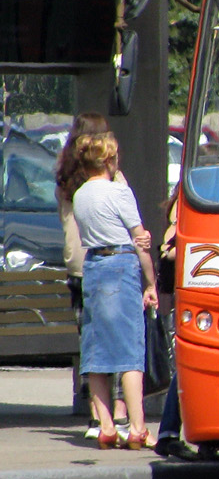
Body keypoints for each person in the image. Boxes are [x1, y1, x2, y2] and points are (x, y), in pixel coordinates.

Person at [56, 113, 148, 440]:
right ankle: (130, 423)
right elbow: (136, 232)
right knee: (126, 347)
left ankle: (101, 422)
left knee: (94, 346)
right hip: (115, 262)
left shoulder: (71, 185)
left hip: (83, 264)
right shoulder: (113, 189)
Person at [71, 131, 158, 450]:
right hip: (121, 264)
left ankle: (106, 426)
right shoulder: (119, 192)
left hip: (93, 266)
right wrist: (151, 282)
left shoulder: (80, 195)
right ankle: (137, 428)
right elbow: (139, 240)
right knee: (130, 353)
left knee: (95, 351)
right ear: (109, 160)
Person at [152, 195, 219, 462]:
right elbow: (168, 250)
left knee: (198, 369)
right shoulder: (184, 211)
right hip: (193, 301)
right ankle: (176, 435)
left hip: (206, 298)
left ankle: (198, 438)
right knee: (190, 369)